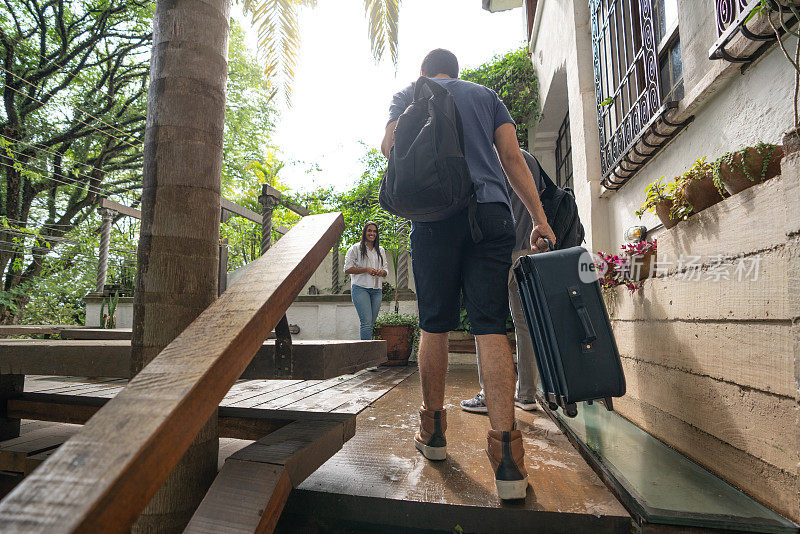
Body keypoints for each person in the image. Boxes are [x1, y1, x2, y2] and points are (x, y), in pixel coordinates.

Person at [381, 49, 556, 500]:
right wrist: (538, 217)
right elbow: (513, 158)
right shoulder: (486, 95)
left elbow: (388, 148)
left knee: (433, 325)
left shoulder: (410, 94)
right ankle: (508, 462)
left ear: (425, 73)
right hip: (492, 214)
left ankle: (434, 435)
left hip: (435, 217)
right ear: (457, 72)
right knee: (491, 327)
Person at [461, 150, 545, 415]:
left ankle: (489, 394)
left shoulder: (490, 158)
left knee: (487, 323)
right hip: (528, 250)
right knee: (525, 324)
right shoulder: (529, 159)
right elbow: (538, 199)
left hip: (499, 251)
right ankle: (527, 394)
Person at [344, 221, 388, 340]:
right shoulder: (355, 248)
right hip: (360, 288)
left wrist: (381, 272)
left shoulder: (380, 250)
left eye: (374, 231)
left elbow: (385, 270)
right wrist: (366, 269)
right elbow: (347, 269)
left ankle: (370, 353)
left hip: (376, 290)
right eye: (369, 230)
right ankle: (366, 355)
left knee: (371, 324)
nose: (372, 233)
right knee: (366, 323)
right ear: (364, 232)